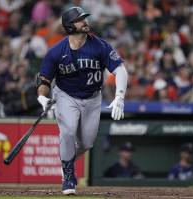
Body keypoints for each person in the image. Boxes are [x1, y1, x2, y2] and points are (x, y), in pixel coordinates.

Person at [36, 7, 128, 195]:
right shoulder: (56, 52)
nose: (85, 22)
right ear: (70, 26)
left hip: (93, 98)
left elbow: (120, 70)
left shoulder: (100, 45)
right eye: (80, 19)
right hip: (65, 95)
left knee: (86, 143)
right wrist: (42, 97)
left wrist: (119, 96)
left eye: (84, 18)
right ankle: (68, 176)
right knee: (68, 131)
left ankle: (65, 159)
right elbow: (44, 80)